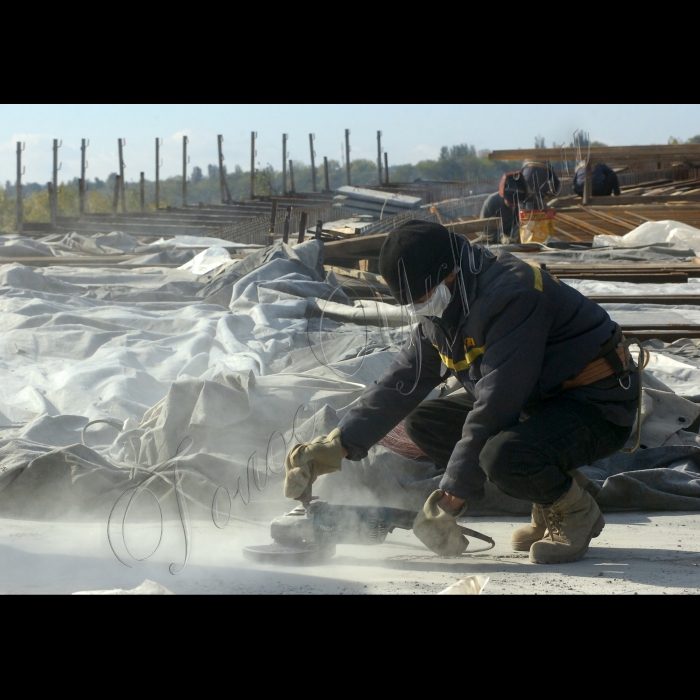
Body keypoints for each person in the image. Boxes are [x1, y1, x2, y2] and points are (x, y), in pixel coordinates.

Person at [284, 220, 639, 565]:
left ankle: (574, 510)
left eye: (422, 299)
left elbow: (496, 406)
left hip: (598, 403)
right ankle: (553, 489)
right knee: (425, 423)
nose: (419, 309)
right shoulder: (444, 306)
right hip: (542, 401)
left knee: (500, 455)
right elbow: (400, 383)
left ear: (449, 273)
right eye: (412, 303)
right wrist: (337, 444)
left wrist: (448, 502)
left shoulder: (512, 293)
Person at [479, 172, 527, 244]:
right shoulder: (492, 202)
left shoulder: (526, 200)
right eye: (510, 202)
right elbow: (484, 230)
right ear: (503, 195)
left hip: (517, 239)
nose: (513, 206)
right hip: (493, 240)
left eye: (516, 203)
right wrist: (501, 238)